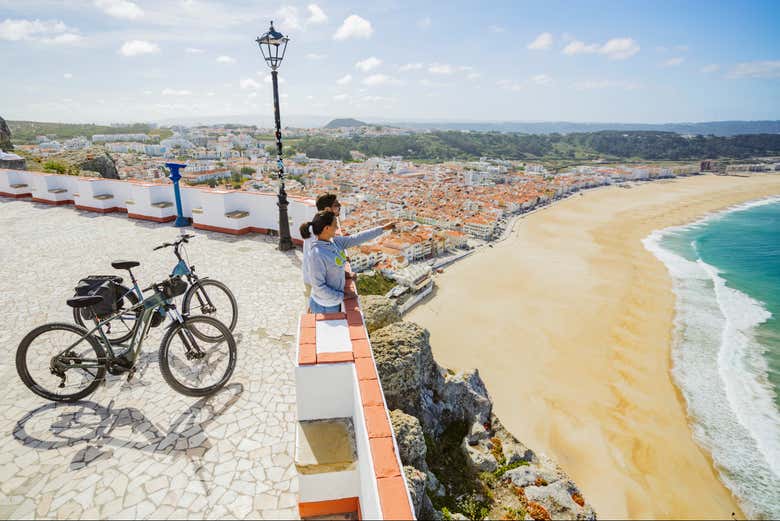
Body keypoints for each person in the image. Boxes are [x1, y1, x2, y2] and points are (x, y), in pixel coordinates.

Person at [300, 210, 394, 314]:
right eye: (335, 225)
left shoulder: (334, 242)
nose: (337, 228)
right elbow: (319, 287)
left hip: (333, 303)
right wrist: (344, 295)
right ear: (326, 228)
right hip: (324, 306)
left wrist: (382, 229)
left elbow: (356, 238)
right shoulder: (317, 254)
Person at [302, 193, 342, 299]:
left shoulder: (319, 224)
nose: (339, 207)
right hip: (315, 282)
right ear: (328, 209)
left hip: (313, 279)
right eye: (336, 205)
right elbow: (320, 255)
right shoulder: (319, 230)